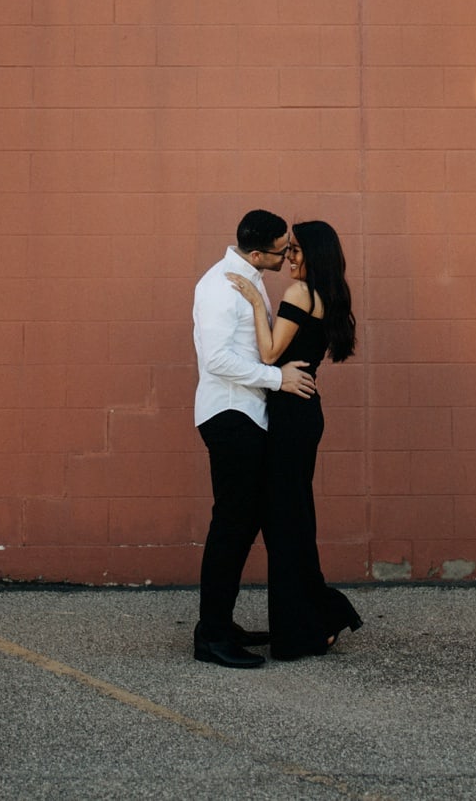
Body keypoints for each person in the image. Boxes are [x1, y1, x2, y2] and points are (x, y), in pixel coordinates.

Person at [226, 218, 362, 660]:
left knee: (287, 522)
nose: (290, 259)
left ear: (315, 255)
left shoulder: (300, 293)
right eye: (288, 251)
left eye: (297, 251)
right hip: (298, 414)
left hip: (292, 417)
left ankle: (311, 623)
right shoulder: (326, 295)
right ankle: (316, 619)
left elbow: (269, 355)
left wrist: (251, 300)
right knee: (292, 520)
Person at [191, 209, 317, 669]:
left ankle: (221, 624)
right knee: (230, 527)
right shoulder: (220, 287)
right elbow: (219, 360)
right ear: (259, 251)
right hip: (229, 415)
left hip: (247, 417)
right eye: (282, 252)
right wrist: (275, 378)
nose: (287, 259)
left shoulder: (248, 275)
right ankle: (211, 637)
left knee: (243, 528)